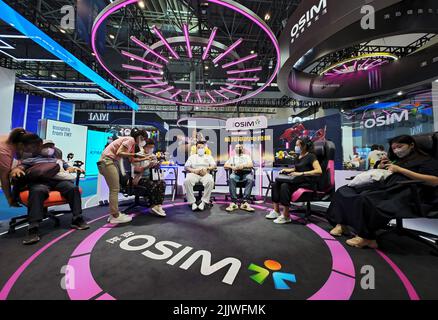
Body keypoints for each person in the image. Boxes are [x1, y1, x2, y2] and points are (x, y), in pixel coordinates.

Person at [327, 135, 438, 249]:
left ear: (412, 145)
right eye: (394, 148)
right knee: (344, 190)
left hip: (408, 192)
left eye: (399, 146)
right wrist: (381, 166)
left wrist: (401, 170)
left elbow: (434, 181)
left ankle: (367, 238)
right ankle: (342, 223)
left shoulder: (427, 160)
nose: (396, 150)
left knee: (366, 198)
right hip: (387, 186)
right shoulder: (398, 161)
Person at [10, 134, 89, 245]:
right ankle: (33, 227)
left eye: (51, 146)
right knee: (37, 191)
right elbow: (21, 167)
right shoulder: (31, 159)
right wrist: (16, 170)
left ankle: (77, 219)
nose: (49, 149)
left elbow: (67, 167)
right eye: (46, 146)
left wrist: (72, 168)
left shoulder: (57, 159)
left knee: (72, 188)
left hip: (58, 181)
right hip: (40, 182)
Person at [265, 137, 322, 224]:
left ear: (304, 146)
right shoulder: (298, 156)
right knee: (275, 184)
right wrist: (289, 170)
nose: (296, 147)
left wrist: (301, 173)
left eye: (297, 145)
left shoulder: (311, 156)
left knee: (284, 185)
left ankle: (286, 216)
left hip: (307, 181)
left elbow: (319, 171)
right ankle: (276, 211)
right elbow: (296, 168)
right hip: (297, 180)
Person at [98, 128, 148, 224]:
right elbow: (119, 153)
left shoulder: (132, 144)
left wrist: (146, 157)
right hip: (107, 161)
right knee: (114, 189)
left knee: (114, 189)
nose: (144, 142)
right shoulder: (130, 140)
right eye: (143, 139)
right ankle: (115, 216)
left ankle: (113, 214)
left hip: (109, 162)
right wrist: (135, 154)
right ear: (140, 137)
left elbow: (131, 160)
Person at [132, 139, 166, 217]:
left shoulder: (153, 155)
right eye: (149, 147)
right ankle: (153, 206)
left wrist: (157, 165)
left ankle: (158, 206)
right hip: (139, 178)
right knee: (152, 184)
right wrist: (147, 166)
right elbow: (135, 170)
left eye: (152, 147)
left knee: (162, 183)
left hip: (151, 177)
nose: (151, 149)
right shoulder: (138, 155)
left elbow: (155, 168)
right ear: (145, 146)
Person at [184, 141, 217, 211]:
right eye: (199, 147)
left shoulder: (209, 157)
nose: (200, 149)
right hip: (194, 173)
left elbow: (214, 165)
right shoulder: (192, 157)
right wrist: (193, 170)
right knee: (187, 181)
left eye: (202, 147)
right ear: (196, 148)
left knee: (210, 181)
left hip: (205, 174)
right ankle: (192, 202)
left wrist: (207, 168)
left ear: (205, 148)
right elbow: (186, 167)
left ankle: (204, 202)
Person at [0, 128, 28, 207]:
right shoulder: (4, 152)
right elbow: (4, 179)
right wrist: (9, 198)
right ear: (20, 144)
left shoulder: (11, 139)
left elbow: (19, 155)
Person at [224, 144, 255, 213]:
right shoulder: (233, 157)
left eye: (240, 147)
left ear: (243, 149)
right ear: (235, 149)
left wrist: (243, 166)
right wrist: (232, 167)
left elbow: (251, 165)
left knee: (250, 179)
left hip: (246, 173)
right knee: (231, 177)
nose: (238, 148)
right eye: (237, 147)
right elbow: (225, 165)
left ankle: (245, 202)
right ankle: (234, 202)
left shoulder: (247, 156)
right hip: (236, 173)